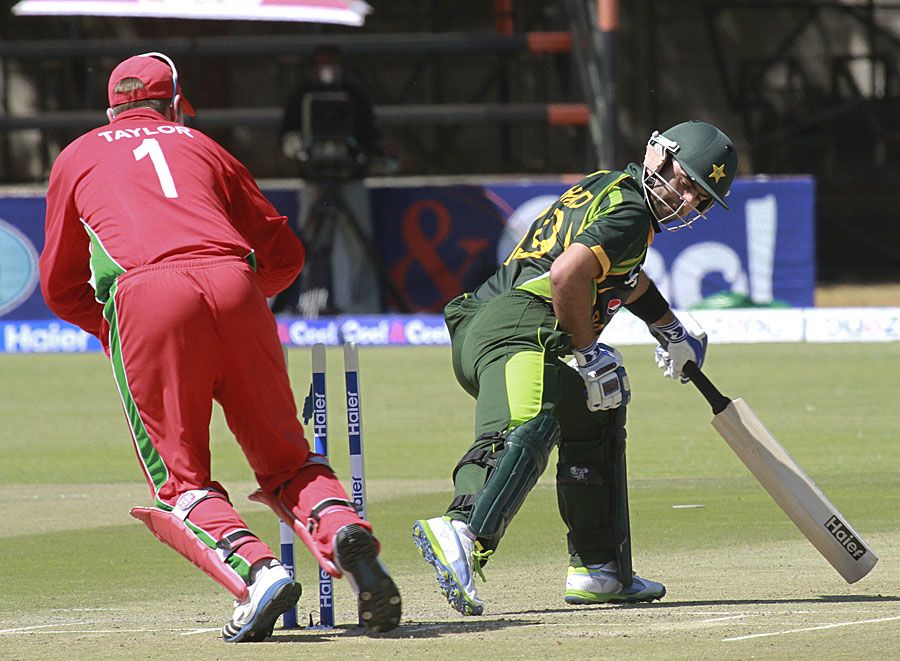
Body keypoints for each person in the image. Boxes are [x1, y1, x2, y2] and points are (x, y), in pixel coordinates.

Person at [39, 52, 401, 641]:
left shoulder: (77, 155)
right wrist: (241, 302)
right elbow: (285, 254)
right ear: (176, 102)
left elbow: (59, 285)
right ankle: (343, 532)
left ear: (111, 108)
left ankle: (258, 573)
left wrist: (117, 328)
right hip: (235, 283)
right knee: (288, 458)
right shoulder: (201, 144)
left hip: (147, 294)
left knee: (182, 484)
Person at [413, 120, 738, 614]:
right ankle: (462, 529)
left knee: (596, 408)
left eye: (701, 196)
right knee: (526, 425)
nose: (688, 200)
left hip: (495, 324)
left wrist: (670, 328)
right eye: (686, 181)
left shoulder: (612, 191)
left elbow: (623, 278)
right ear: (657, 155)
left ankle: (599, 569)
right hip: (516, 327)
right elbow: (568, 275)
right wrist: (587, 354)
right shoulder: (630, 211)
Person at [277, 44, 389, 316]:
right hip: (313, 179)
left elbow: (371, 136)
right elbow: (287, 135)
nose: (327, 68)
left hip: (350, 178)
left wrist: (360, 153)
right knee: (308, 236)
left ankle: (359, 308)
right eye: (321, 63)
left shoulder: (355, 94)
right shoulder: (301, 95)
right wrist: (297, 149)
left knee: (356, 243)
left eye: (333, 62)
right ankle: (309, 301)